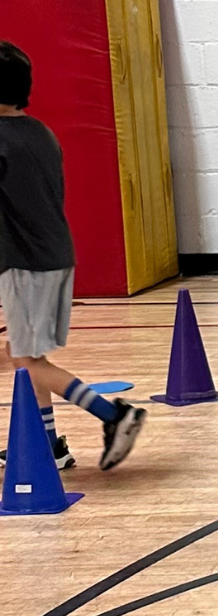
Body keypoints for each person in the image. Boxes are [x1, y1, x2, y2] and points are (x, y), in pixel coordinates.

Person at [0, 41, 147, 471]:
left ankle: (113, 414)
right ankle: (49, 445)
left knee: (24, 359)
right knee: (29, 354)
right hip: (54, 254)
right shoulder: (40, 132)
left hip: (27, 261)